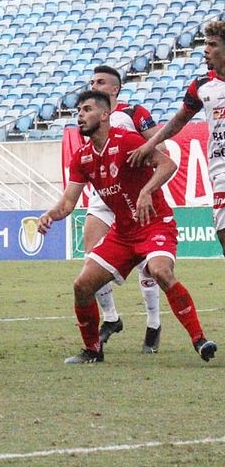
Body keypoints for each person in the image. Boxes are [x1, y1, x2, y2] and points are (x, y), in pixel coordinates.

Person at [38, 90, 216, 364]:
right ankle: (93, 351)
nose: (80, 116)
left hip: (155, 224)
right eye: (79, 111)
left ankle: (200, 340)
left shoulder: (126, 141)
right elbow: (67, 204)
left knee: (160, 271)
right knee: (82, 285)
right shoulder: (82, 157)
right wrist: (50, 215)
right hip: (122, 233)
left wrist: (147, 191)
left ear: (105, 114)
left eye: (86, 110)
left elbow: (167, 164)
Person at [78, 65, 162, 352]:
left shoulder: (133, 113)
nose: (94, 84)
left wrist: (144, 166)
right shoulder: (88, 116)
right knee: (91, 256)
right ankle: (111, 318)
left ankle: (153, 324)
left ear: (114, 89)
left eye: (100, 81)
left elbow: (159, 140)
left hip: (135, 195)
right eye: (92, 81)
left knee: (145, 264)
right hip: (104, 195)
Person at [130, 21, 225, 259]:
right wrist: (150, 144)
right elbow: (179, 120)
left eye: (212, 45)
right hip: (221, 172)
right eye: (205, 44)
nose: (206, 50)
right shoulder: (202, 85)